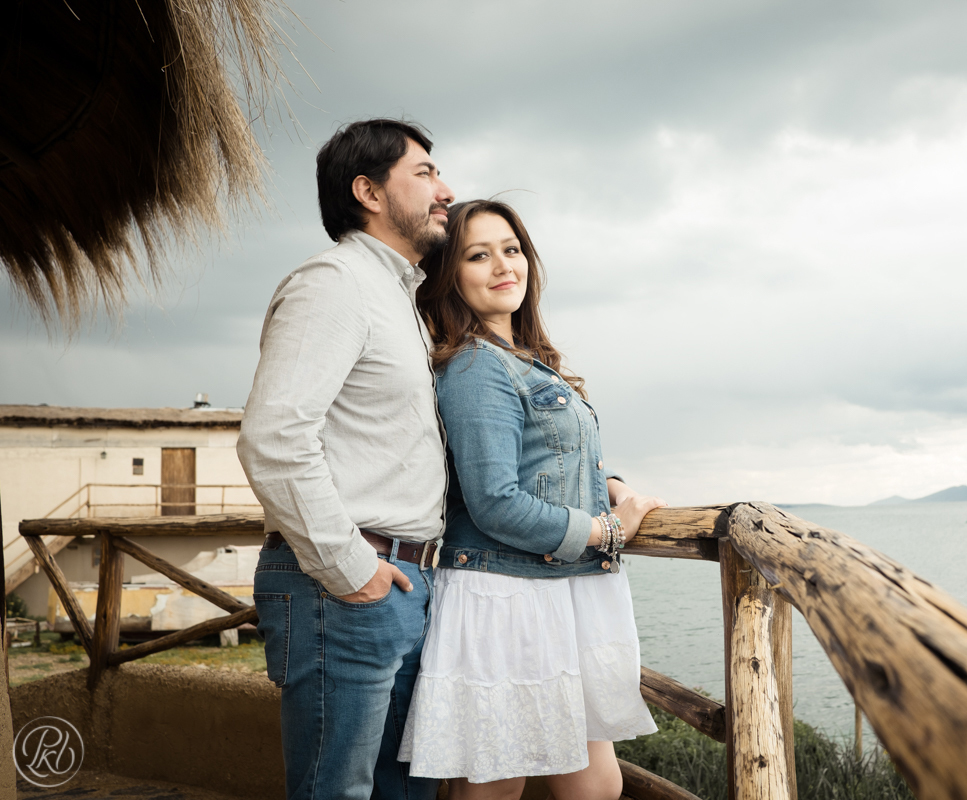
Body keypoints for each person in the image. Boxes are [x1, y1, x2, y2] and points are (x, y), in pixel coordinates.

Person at [399, 199, 667, 800]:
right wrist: (609, 530)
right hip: (506, 597)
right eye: (478, 254)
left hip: (550, 590)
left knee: (594, 785)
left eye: (511, 249)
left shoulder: (523, 362)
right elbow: (495, 500)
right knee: (497, 788)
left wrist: (612, 483)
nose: (502, 265)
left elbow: (549, 458)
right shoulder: (473, 368)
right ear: (451, 277)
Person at [237, 118, 454, 800]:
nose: (444, 189)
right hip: (347, 586)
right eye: (423, 173)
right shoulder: (334, 283)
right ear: (368, 191)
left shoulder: (403, 302)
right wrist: (350, 569)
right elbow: (273, 438)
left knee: (404, 793)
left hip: (405, 586)